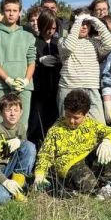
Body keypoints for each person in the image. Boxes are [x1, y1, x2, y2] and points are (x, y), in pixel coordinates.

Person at [33, 88, 111, 200]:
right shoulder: (55, 130)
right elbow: (45, 154)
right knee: (79, 171)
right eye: (68, 116)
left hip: (88, 162)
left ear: (86, 115)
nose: (71, 121)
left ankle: (103, 185)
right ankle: (92, 191)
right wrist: (40, 174)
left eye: (76, 118)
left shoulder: (91, 125)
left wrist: (107, 141)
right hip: (71, 166)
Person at [0, 0, 36, 131]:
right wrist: (8, 80)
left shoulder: (28, 36)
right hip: (1, 86)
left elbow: (32, 61)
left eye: (15, 10)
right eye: (8, 10)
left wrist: (26, 81)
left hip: (23, 88)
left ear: (19, 12)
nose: (11, 13)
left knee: (21, 126)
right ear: (2, 12)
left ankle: (19, 152)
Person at [57, 8, 111, 123]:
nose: (83, 26)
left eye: (87, 24)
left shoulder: (94, 42)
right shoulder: (63, 41)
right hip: (69, 88)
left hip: (91, 89)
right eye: (80, 23)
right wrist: (77, 22)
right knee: (69, 127)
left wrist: (96, 21)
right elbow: (69, 47)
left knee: (99, 126)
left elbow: (110, 45)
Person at [0, 93, 36, 205]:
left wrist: (21, 142)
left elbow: (25, 152)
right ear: (0, 112)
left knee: (29, 146)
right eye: (8, 110)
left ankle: (18, 185)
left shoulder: (20, 128)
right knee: (3, 198)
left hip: (11, 168)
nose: (12, 114)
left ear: (21, 112)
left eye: (16, 110)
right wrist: (4, 181)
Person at [29, 9, 61, 147]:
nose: (50, 31)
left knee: (53, 123)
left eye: (53, 28)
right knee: (36, 123)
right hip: (38, 91)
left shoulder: (57, 43)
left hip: (55, 90)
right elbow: (28, 61)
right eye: (47, 28)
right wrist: (38, 61)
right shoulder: (34, 41)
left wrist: (59, 61)